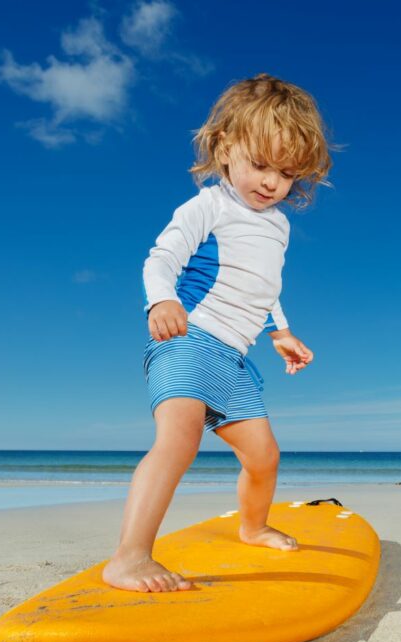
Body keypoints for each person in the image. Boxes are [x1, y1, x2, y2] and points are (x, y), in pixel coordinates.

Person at [102, 73, 333, 593]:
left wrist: (281, 331)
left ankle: (252, 527)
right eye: (260, 164)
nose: (272, 182)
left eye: (286, 172)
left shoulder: (278, 224)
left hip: (235, 359)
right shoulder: (209, 204)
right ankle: (130, 557)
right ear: (226, 148)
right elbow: (162, 257)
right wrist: (160, 299)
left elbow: (264, 283)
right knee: (178, 442)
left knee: (264, 457)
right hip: (189, 339)